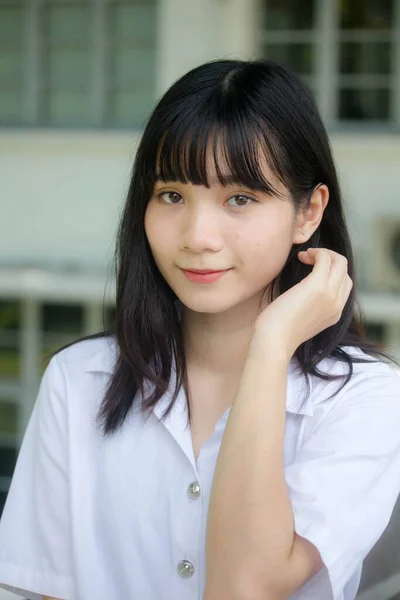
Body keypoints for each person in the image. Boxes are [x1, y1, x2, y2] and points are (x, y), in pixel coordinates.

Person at [0, 59, 400, 600]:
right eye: (171, 195)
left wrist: (271, 345)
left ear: (308, 213)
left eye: (240, 198)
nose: (197, 235)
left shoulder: (364, 399)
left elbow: (245, 588)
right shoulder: (79, 380)